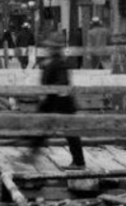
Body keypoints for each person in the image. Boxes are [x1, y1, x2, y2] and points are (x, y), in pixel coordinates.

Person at [25, 38, 86, 170]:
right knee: (45, 129)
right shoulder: (53, 62)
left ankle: (79, 162)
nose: (48, 50)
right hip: (55, 102)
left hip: (60, 103)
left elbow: (61, 83)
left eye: (51, 48)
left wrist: (51, 93)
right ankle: (31, 155)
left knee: (68, 133)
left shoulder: (59, 64)